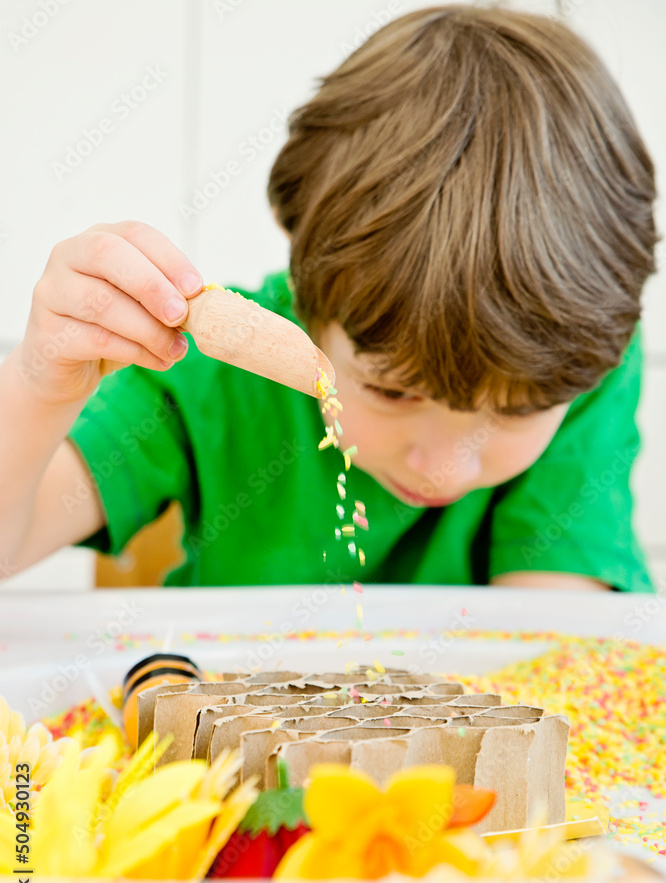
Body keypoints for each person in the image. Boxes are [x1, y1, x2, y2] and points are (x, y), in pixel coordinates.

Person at [0, 5, 657, 591]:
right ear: (306, 306)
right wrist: (39, 384)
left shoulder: (572, 364)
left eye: (513, 414)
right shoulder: (209, 373)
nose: (444, 469)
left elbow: (553, 650)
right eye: (392, 392)